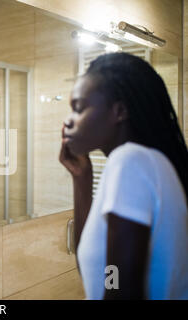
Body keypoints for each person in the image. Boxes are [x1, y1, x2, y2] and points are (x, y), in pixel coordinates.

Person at [59, 52, 188, 299]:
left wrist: (112, 282)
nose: (68, 120)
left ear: (119, 111)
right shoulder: (149, 163)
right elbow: (101, 273)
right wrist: (81, 179)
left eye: (78, 108)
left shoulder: (130, 161)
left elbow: (120, 288)